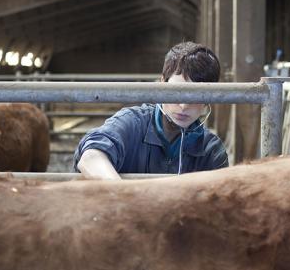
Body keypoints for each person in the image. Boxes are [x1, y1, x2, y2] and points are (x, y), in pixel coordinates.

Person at [74, 41, 229, 180]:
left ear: (210, 97)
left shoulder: (211, 151)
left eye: (198, 95)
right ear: (162, 84)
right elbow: (91, 157)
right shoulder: (132, 123)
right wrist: (124, 197)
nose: (183, 105)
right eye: (177, 91)